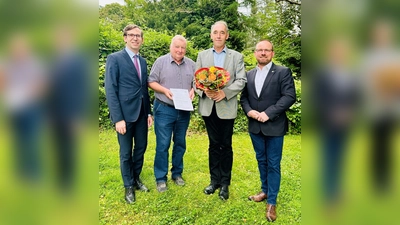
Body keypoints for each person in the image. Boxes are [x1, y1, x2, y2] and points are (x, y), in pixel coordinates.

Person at [240, 40, 296, 222]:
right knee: (261, 160)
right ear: (255, 53)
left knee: (273, 163)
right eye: (259, 50)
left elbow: (289, 96)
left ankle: (272, 202)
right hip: (255, 126)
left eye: (266, 50)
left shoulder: (282, 72)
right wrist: (249, 111)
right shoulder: (248, 74)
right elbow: (244, 98)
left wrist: (268, 113)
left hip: (274, 126)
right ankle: (264, 191)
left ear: (272, 53)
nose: (263, 53)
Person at [195, 21, 246, 200]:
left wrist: (224, 93)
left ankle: (225, 183)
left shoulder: (236, 57)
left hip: (226, 107)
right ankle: (214, 181)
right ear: (211, 35)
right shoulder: (202, 56)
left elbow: (241, 80)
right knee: (213, 145)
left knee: (226, 145)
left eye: (222, 32)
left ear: (227, 35)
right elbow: (196, 82)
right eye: (215, 32)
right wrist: (205, 90)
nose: (218, 35)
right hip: (209, 108)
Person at [105, 24, 152, 204]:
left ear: (142, 39)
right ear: (125, 38)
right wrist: (118, 119)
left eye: (138, 35)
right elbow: (111, 90)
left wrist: (148, 112)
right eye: (131, 35)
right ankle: (128, 186)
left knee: (140, 148)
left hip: (141, 114)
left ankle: (136, 178)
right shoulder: (115, 59)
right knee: (126, 152)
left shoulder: (143, 61)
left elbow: (143, 90)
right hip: (124, 116)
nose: (135, 38)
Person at [148, 35, 195, 193]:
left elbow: (197, 83)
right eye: (177, 47)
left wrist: (193, 91)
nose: (180, 50)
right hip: (164, 109)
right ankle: (161, 178)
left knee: (180, 143)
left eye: (183, 48)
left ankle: (177, 174)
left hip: (183, 111)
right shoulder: (160, 62)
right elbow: (151, 82)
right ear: (171, 47)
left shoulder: (192, 64)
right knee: (163, 144)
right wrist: (164, 90)